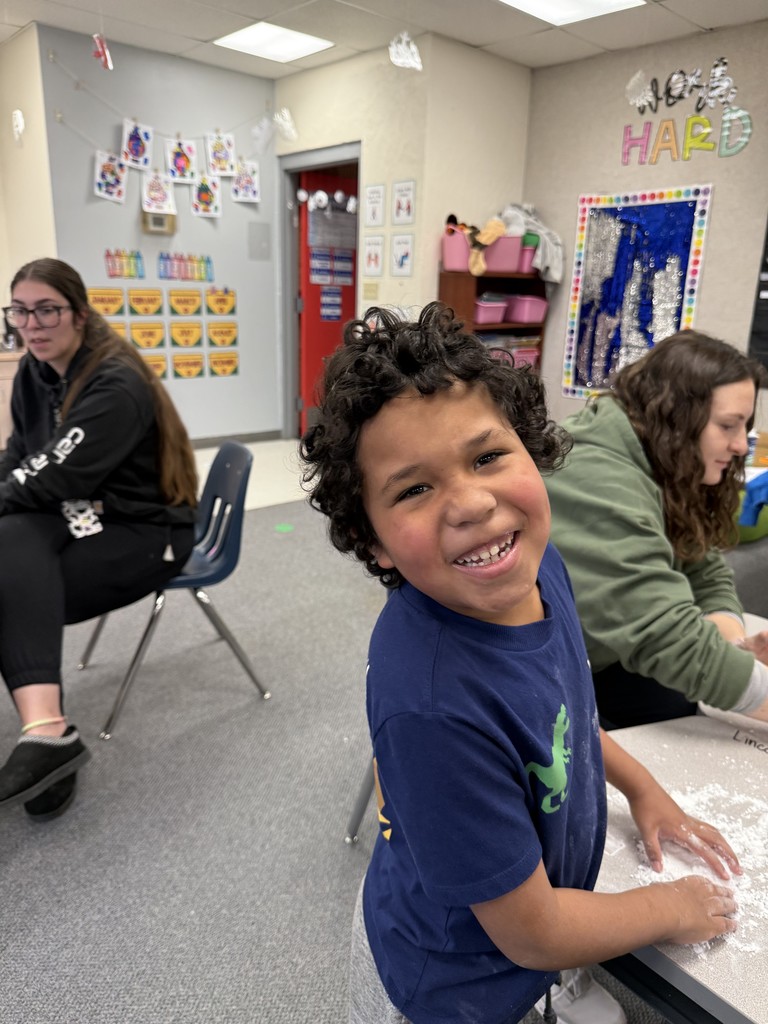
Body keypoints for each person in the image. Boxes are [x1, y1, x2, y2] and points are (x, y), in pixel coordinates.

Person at [299, 302, 740, 1024]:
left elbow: (563, 718)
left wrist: (642, 787)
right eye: (414, 489)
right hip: (449, 988)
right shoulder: (433, 707)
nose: (472, 503)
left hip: (524, 945)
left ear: (531, 451)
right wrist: (670, 907)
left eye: (487, 457)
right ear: (370, 538)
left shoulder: (540, 567)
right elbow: (531, 931)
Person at [0, 258, 198, 820]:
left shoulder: (117, 382)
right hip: (82, 512)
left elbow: (56, 475)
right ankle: (49, 737)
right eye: (20, 311)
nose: (32, 324)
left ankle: (48, 739)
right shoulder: (37, 372)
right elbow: (21, 457)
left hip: (147, 531)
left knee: (13, 580)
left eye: (47, 310)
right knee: (11, 544)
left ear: (79, 315)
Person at [544, 330, 768, 731]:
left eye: (744, 427)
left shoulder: (663, 458)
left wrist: (734, 644)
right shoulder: (595, 479)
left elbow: (703, 567)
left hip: (606, 654)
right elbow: (664, 637)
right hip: (547, 676)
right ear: (678, 417)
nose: (740, 445)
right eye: (729, 426)